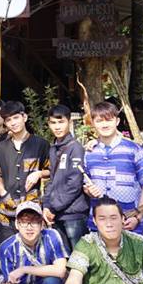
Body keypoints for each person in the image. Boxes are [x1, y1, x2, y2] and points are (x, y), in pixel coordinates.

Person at [83, 101, 143, 236]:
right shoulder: (89, 152)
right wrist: (89, 191)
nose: (104, 125)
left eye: (109, 120)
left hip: (129, 222)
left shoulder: (134, 149)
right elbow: (86, 184)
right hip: (99, 224)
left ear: (117, 121)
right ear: (93, 123)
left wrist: (137, 217)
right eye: (99, 121)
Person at [0, 101, 51, 243]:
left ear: (24, 117)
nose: (13, 123)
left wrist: (39, 173)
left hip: (32, 209)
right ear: (5, 123)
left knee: (33, 249)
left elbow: (52, 171)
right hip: (7, 210)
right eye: (8, 120)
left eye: (16, 118)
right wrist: (3, 193)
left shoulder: (41, 144)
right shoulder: (1, 148)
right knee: (7, 248)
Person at [42, 105, 89, 252]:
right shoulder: (53, 148)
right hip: (57, 213)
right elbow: (52, 179)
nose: (57, 127)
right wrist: (46, 205)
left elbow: (74, 183)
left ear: (69, 122)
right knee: (63, 257)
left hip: (74, 213)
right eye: (53, 123)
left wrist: (53, 207)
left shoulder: (75, 148)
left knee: (79, 257)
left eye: (61, 122)